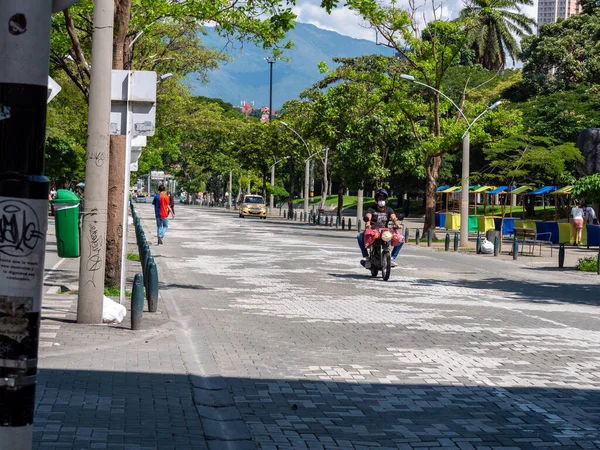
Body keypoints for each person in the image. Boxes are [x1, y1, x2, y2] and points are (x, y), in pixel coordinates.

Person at [357, 188, 403, 268]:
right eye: (380, 198)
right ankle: (367, 259)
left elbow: (394, 218)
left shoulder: (389, 209)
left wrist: (397, 224)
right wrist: (368, 224)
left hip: (385, 232)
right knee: (359, 237)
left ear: (386, 200)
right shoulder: (371, 209)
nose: (382, 200)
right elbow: (368, 216)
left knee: (401, 238)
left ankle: (392, 258)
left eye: (383, 198)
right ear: (377, 200)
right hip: (373, 231)